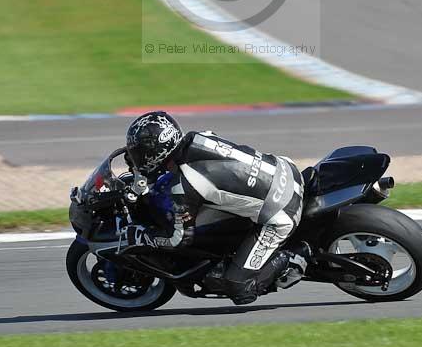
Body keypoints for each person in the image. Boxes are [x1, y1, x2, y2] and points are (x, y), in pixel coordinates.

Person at [121, 111, 311, 305]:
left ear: (155, 152)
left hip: (282, 213)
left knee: (238, 287)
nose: (135, 156)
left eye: (139, 152)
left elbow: (178, 239)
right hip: (285, 168)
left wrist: (141, 236)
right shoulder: (200, 137)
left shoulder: (185, 186)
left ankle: (295, 257)